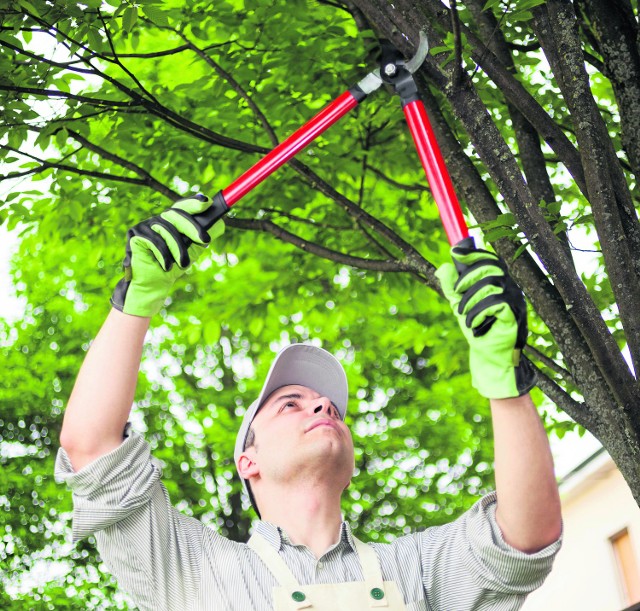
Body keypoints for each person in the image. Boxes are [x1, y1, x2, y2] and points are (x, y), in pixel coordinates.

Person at [55, 196, 562, 611]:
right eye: (291, 404)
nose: (322, 408)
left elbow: (525, 539)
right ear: (246, 461)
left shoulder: (416, 570)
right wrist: (136, 300)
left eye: (331, 409)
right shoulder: (193, 571)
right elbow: (92, 449)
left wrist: (505, 380)